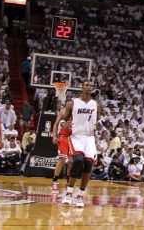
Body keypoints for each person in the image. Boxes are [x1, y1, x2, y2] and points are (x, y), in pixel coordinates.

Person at [53, 80, 102, 208]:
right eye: (86, 85)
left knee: (89, 165)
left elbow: (98, 121)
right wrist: (65, 124)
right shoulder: (73, 103)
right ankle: (69, 193)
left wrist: (99, 125)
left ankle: (80, 196)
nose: (89, 87)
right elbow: (63, 120)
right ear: (81, 87)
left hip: (90, 137)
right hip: (76, 136)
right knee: (78, 161)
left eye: (91, 85)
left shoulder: (96, 105)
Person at [51, 120, 71, 191]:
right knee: (62, 159)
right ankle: (54, 181)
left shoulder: (74, 116)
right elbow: (64, 125)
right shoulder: (63, 118)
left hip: (72, 139)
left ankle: (69, 183)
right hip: (63, 138)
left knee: (70, 162)